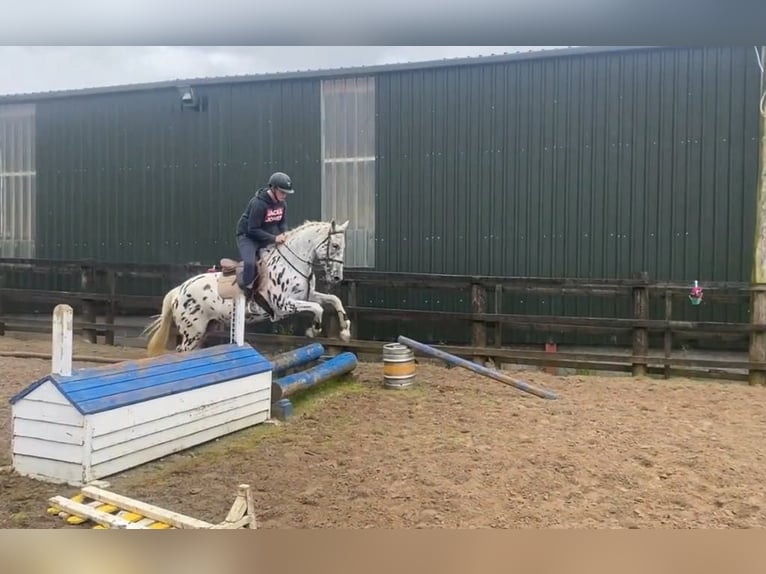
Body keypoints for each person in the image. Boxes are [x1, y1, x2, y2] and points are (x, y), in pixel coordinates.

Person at [235, 171, 294, 298]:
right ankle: (246, 295)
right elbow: (253, 229)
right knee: (250, 264)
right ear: (273, 188)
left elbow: (282, 223)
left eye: (286, 193)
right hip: (248, 238)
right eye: (282, 192)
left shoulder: (282, 204)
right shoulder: (258, 204)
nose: (284, 195)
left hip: (266, 237)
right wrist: (274, 238)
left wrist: (285, 234)